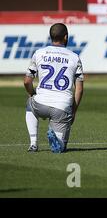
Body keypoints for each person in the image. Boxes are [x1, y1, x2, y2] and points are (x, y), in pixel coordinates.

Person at [24, 23, 84, 153]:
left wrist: (32, 93)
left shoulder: (39, 53)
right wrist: (73, 111)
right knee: (60, 148)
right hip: (62, 107)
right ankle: (56, 137)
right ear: (66, 37)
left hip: (40, 104)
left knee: (30, 103)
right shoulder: (74, 57)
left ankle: (33, 143)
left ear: (51, 36)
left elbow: (27, 81)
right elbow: (79, 89)